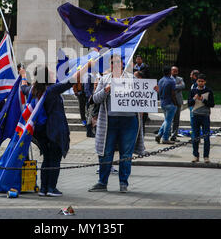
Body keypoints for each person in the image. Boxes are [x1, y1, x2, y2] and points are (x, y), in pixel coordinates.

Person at [20, 64, 88, 197]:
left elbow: (23, 88)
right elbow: (72, 80)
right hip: (54, 131)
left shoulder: (33, 90)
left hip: (41, 132)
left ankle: (43, 188)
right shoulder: (51, 90)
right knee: (55, 159)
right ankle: (51, 188)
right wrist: (88, 65)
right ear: (46, 77)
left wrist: (23, 74)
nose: (54, 75)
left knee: (47, 159)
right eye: (51, 73)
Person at [88, 55, 145, 193]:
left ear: (123, 64)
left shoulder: (132, 79)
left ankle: (123, 183)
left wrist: (153, 91)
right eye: (113, 63)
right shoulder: (104, 79)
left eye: (119, 62)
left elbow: (143, 96)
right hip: (109, 122)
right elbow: (95, 99)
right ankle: (102, 182)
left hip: (129, 121)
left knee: (126, 153)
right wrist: (106, 90)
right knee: (106, 152)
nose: (116, 65)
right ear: (110, 65)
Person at [188, 74, 215, 163]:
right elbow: (189, 103)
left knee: (206, 137)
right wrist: (194, 99)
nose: (200, 83)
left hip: (205, 115)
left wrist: (203, 99)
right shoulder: (193, 91)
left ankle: (206, 156)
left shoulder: (209, 91)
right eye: (199, 81)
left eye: (202, 81)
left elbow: (212, 104)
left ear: (205, 82)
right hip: (195, 115)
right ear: (197, 81)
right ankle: (195, 155)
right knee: (195, 136)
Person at [155, 66, 178, 144]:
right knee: (168, 121)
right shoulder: (171, 81)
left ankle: (159, 134)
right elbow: (173, 94)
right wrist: (176, 103)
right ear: (170, 72)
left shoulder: (160, 80)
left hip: (163, 102)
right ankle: (165, 138)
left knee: (166, 120)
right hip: (170, 103)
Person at [170, 66, 185, 142]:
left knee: (176, 120)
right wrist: (177, 86)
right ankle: (168, 133)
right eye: (173, 71)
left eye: (176, 71)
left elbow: (183, 86)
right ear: (171, 71)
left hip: (178, 101)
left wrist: (173, 87)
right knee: (169, 119)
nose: (175, 72)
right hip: (170, 101)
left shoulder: (180, 79)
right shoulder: (168, 78)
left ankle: (174, 135)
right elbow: (169, 87)